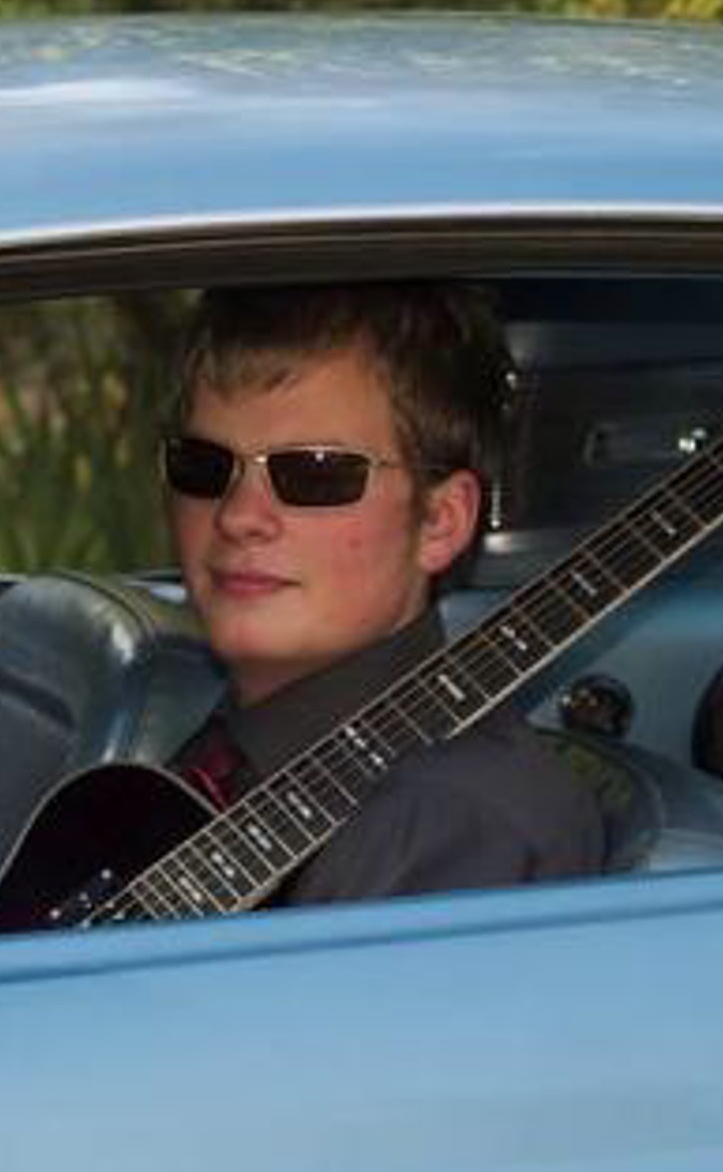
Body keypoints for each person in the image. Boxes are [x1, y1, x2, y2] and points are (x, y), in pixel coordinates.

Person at [161, 281, 606, 906]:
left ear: (439, 523)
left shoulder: (444, 825)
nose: (238, 517)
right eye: (203, 465)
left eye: (316, 473)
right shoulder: (225, 749)